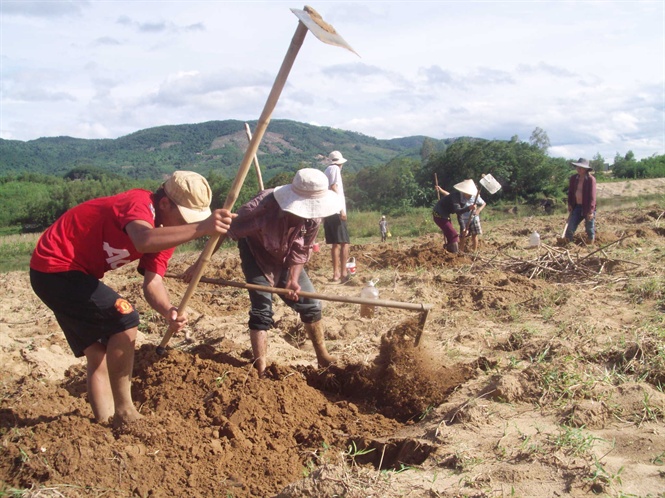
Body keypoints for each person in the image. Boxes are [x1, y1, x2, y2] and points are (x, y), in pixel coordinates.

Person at [29, 171, 235, 427]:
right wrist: (201, 228)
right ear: (164, 203)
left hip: (64, 275)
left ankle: (103, 423)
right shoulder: (138, 203)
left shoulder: (166, 232)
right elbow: (143, 239)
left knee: (97, 353)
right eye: (183, 217)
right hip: (56, 267)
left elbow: (153, 282)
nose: (184, 224)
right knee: (125, 316)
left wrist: (167, 309)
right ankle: (125, 412)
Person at [222, 168, 341, 377]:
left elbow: (301, 249)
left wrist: (293, 280)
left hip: (286, 258)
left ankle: (323, 357)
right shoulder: (260, 208)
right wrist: (198, 265)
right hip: (256, 254)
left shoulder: (314, 217)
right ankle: (262, 369)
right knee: (262, 310)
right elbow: (224, 229)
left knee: (311, 304)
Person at [323, 150, 350, 283]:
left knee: (335, 243)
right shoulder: (334, 169)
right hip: (335, 211)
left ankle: (336, 274)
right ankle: (342, 273)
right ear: (339, 163)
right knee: (344, 243)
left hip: (328, 210)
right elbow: (333, 187)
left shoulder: (326, 170)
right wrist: (341, 210)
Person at [565, 158, 597, 244]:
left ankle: (590, 244)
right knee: (570, 227)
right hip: (577, 206)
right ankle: (569, 244)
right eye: (578, 167)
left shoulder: (591, 180)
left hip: (587, 207)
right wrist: (570, 204)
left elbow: (592, 196)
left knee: (589, 229)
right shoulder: (573, 178)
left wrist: (591, 211)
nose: (579, 169)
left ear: (586, 169)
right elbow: (571, 192)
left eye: (581, 167)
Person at [455, 179, 486, 253]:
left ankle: (474, 251)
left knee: (474, 235)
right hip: (463, 219)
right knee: (463, 236)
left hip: (474, 218)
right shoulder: (460, 196)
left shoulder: (475, 196)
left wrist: (479, 210)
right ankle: (461, 251)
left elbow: (484, 203)